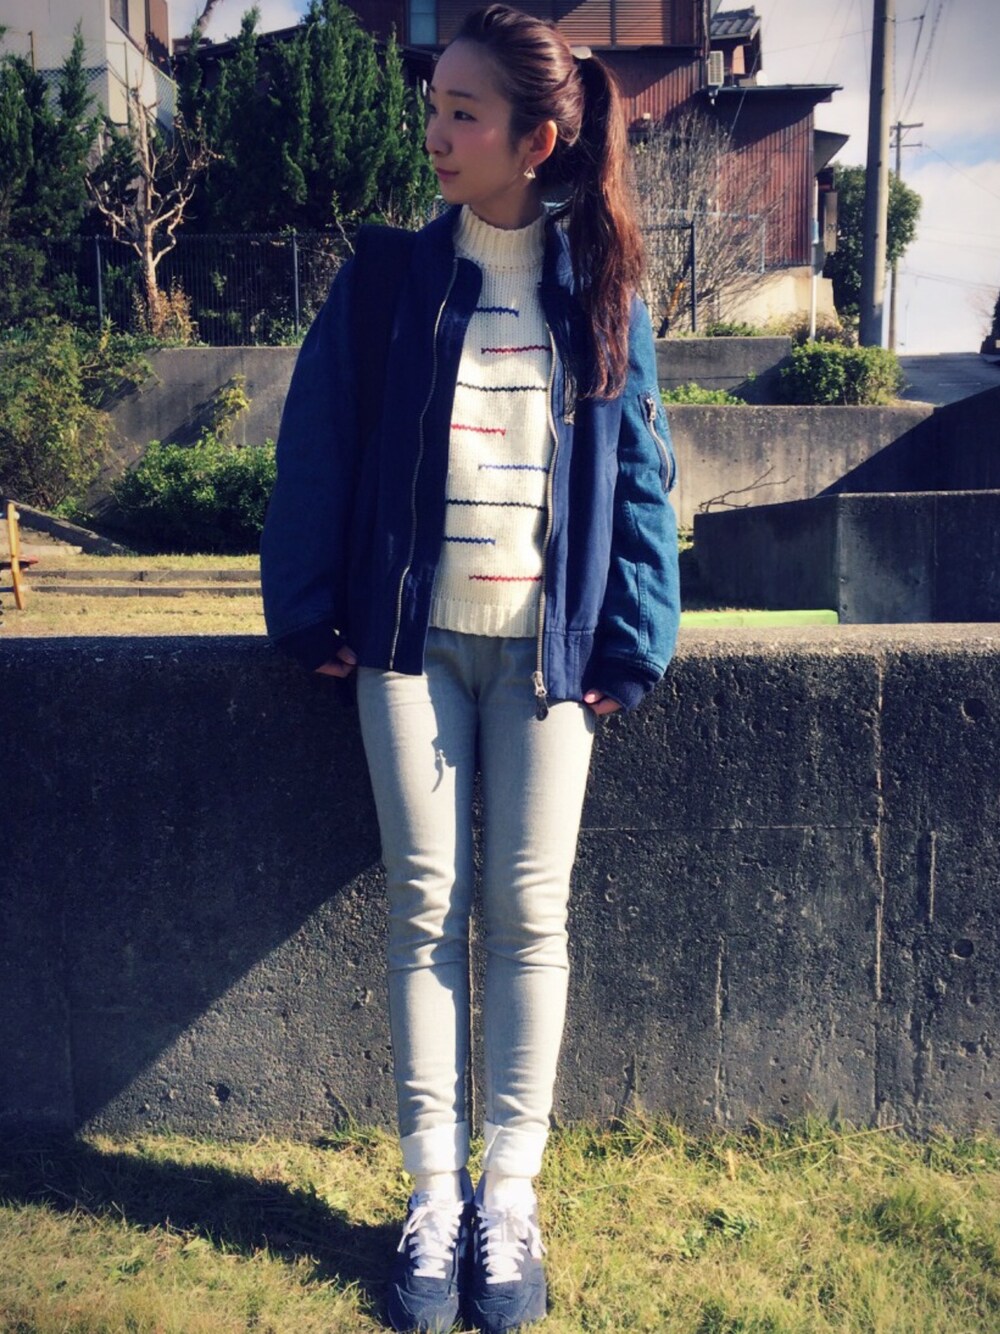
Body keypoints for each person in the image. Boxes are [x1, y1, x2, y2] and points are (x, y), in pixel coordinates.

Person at [260, 5, 679, 1329]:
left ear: (535, 140)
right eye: (432, 105)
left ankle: (510, 1197)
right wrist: (307, 611)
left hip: (547, 660)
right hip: (408, 647)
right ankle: (435, 1197)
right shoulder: (385, 280)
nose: (434, 133)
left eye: (462, 113)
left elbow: (643, 477)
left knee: (531, 913)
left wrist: (634, 637)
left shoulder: (604, 290)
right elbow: (317, 448)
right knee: (426, 908)